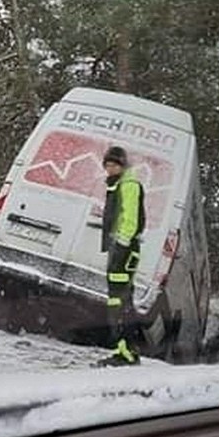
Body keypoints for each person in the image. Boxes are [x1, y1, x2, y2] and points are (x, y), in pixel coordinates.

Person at [97, 145, 146, 367]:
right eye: (107, 164)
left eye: (114, 164)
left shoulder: (129, 184)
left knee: (121, 300)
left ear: (122, 165)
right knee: (118, 300)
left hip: (124, 249)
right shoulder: (117, 184)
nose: (110, 168)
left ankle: (127, 352)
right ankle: (123, 350)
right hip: (120, 248)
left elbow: (131, 216)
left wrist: (123, 241)